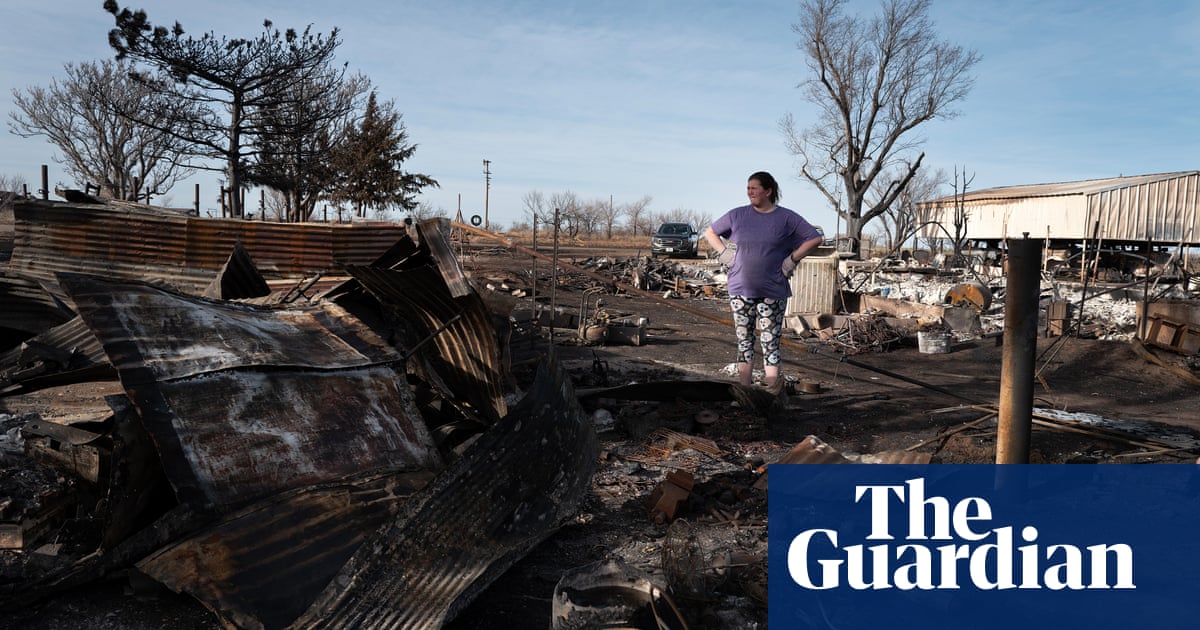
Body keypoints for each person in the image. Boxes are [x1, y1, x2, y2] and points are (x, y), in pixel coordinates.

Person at [703, 171, 824, 388]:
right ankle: (745, 391)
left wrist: (792, 259)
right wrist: (724, 253)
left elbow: (815, 238)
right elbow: (710, 232)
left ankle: (770, 393)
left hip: (773, 291)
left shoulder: (787, 218)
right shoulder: (737, 215)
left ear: (768, 191)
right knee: (744, 342)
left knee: (770, 343)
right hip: (740, 290)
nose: (749, 192)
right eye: (748, 188)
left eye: (754, 188)